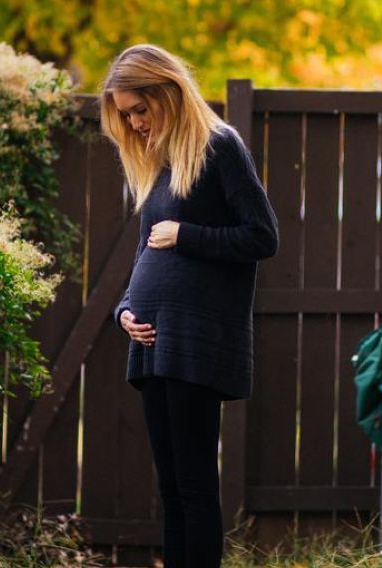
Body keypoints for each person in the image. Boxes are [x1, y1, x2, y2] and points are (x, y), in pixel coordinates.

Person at [100, 44, 279, 568]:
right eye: (126, 114)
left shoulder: (219, 146)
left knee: (196, 485)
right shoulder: (160, 165)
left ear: (168, 93)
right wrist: (125, 311)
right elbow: (143, 252)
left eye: (140, 109)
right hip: (154, 342)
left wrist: (187, 234)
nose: (133, 123)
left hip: (197, 340)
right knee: (172, 485)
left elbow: (262, 237)